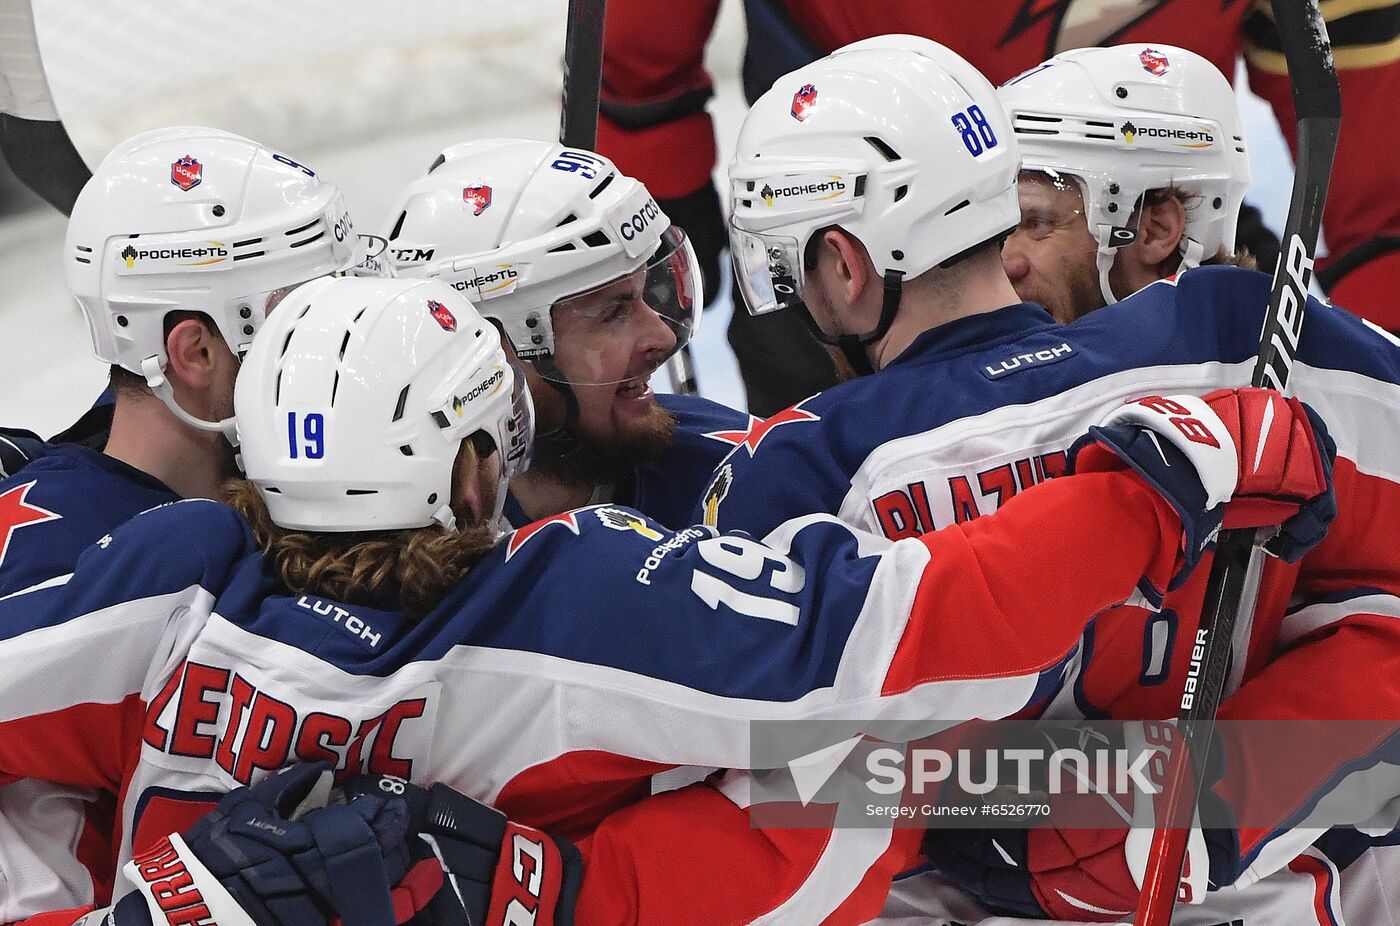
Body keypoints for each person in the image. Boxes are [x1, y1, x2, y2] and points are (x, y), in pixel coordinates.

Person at [0, 273, 1329, 926]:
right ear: (481, 457)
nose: (654, 334)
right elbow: (915, 647)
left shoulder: (162, 572)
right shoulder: (571, 597)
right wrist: (1158, 482)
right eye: (604, 305)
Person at [703, 37, 1400, 922]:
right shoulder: (1237, 337)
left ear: (844, 264)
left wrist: (1016, 808)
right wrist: (1215, 801)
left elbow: (762, 780)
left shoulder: (802, 464)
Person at [595, 0, 1400, 416]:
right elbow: (635, 69)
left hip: (1142, 241)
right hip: (855, 262)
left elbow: (1385, 206)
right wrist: (640, 284)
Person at [0, 124, 365, 923]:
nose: (346, 347)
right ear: (194, 352)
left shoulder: (221, 466)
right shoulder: (68, 561)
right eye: (302, 319)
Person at [381, 138, 747, 528]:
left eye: (643, 297)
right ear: (487, 353)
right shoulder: (402, 554)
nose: (663, 336)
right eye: (613, 313)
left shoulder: (739, 467)